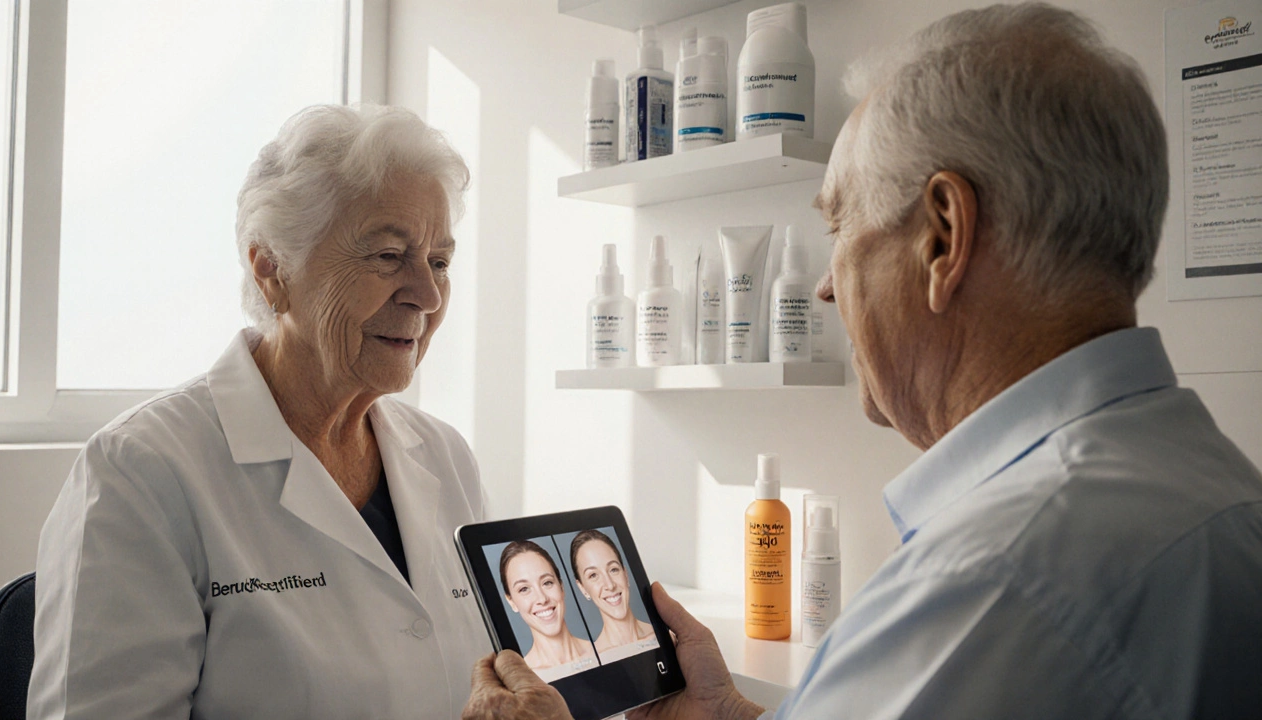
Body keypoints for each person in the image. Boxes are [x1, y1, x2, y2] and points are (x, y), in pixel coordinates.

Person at [463, 4, 1262, 719]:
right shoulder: (1208, 482)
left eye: (840, 224)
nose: (823, 286)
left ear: (943, 237)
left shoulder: (992, 582)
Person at [28, 104, 494, 718]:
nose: (428, 295)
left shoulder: (446, 456)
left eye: (439, 262)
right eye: (387, 255)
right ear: (271, 269)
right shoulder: (140, 471)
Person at [498, 540, 599, 681]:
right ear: (511, 602)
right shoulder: (521, 682)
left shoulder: (603, 651)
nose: (542, 599)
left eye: (547, 583)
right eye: (524, 589)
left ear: (561, 587)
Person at [568, 529, 657, 663]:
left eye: (613, 569)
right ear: (582, 588)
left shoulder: (663, 636)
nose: (609, 585)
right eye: (593, 575)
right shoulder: (591, 661)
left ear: (625, 575)